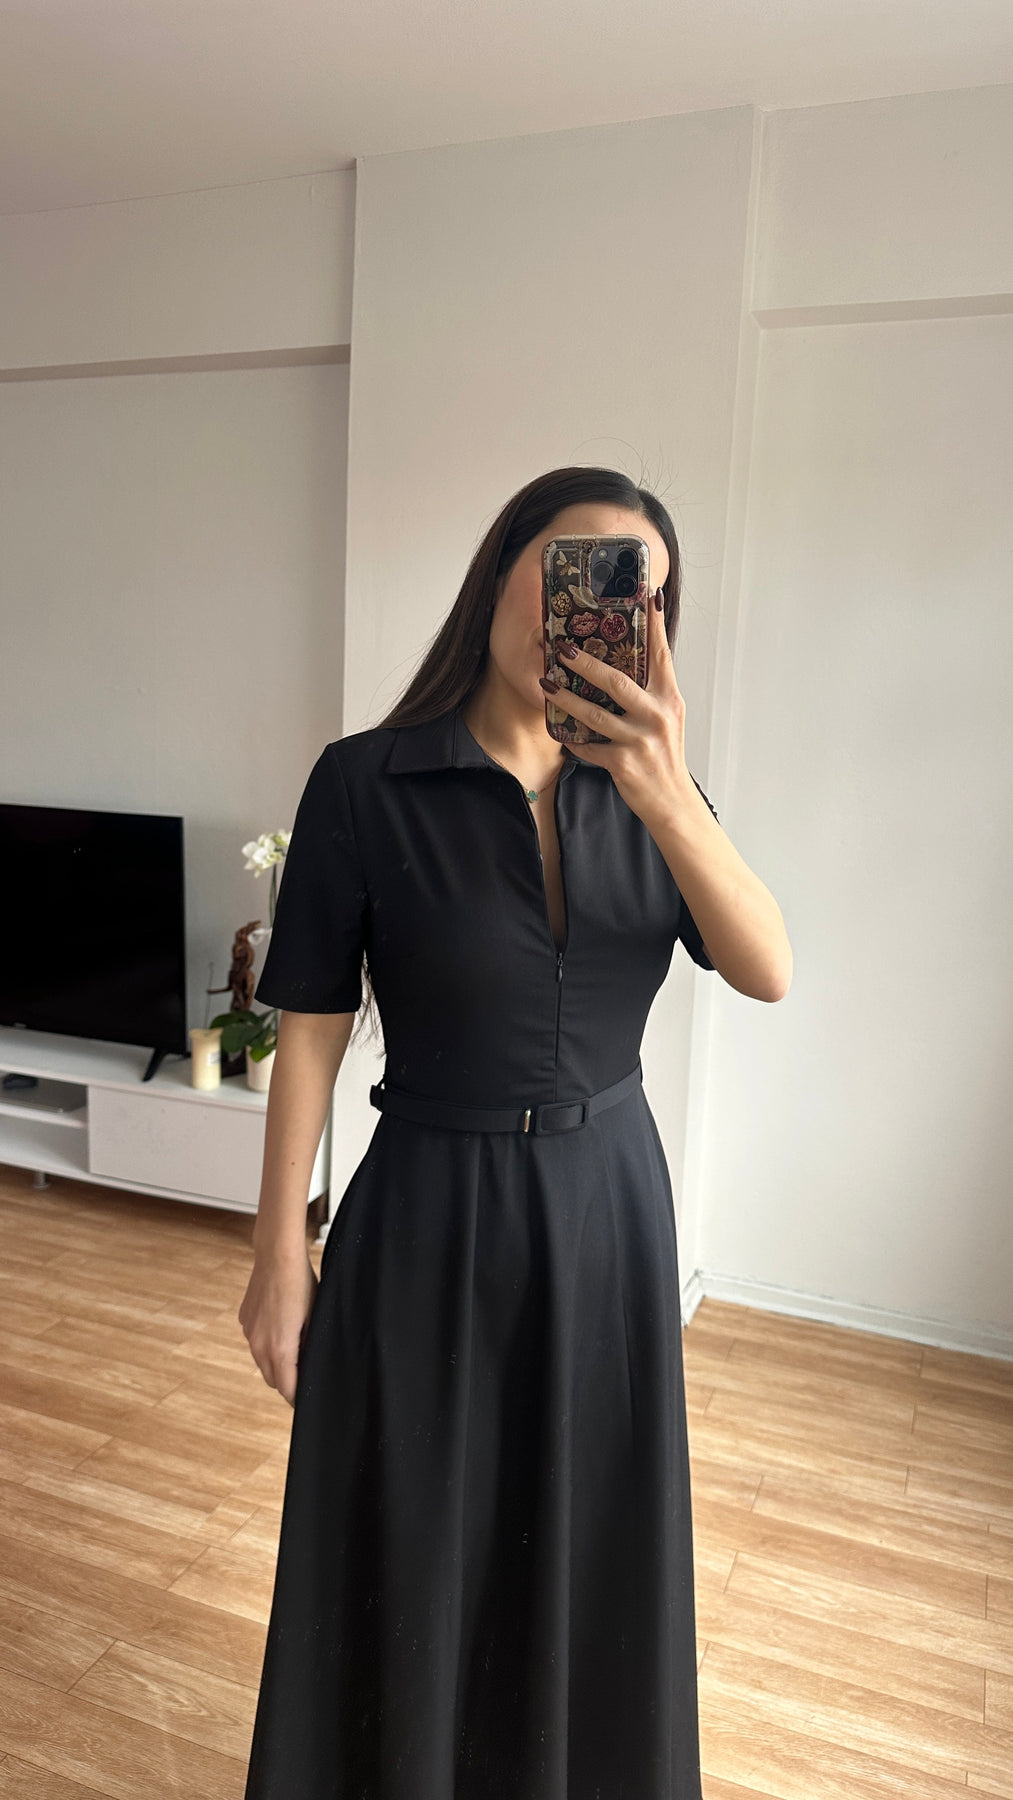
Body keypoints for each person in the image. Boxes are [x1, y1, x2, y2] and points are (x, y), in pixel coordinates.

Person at [238, 465, 792, 1800]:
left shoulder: (659, 794)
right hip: (425, 1208)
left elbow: (766, 967)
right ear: (503, 572)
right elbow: (310, 1024)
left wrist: (663, 788)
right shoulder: (364, 783)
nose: (594, 607)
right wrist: (276, 1252)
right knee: (412, 1529)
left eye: (633, 593)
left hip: (606, 1213)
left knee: (587, 1531)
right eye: (572, 568)